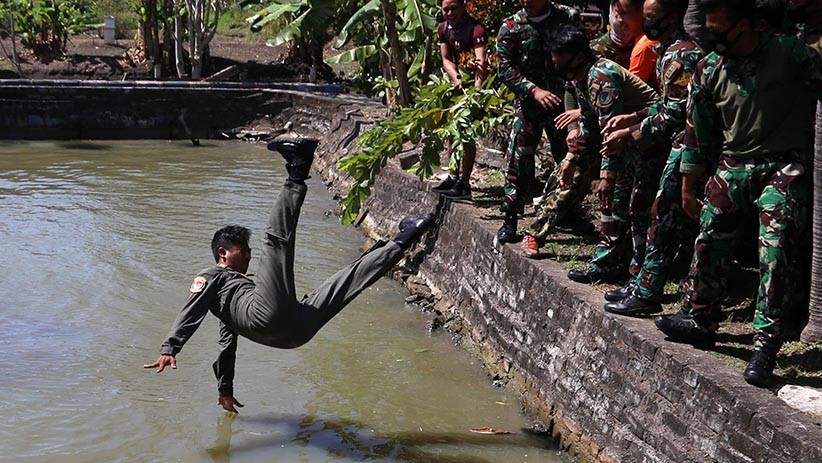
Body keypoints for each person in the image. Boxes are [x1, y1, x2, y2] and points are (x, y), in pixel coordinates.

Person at [144, 137, 435, 412]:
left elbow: (226, 347)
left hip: (295, 333)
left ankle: (405, 238)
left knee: (344, 282)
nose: (248, 254)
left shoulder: (230, 306)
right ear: (222, 253)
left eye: (247, 250)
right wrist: (171, 346)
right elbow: (192, 308)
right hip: (266, 317)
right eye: (242, 249)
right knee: (276, 241)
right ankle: (297, 169)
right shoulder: (211, 275)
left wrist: (224, 388)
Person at [653, 0, 821, 387]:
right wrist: (689, 184)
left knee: (775, 252)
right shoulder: (710, 67)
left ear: (748, 26)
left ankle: (765, 346)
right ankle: (699, 317)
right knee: (710, 236)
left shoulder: (790, 54)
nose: (714, 38)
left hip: (783, 166)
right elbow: (697, 131)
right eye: (709, 30)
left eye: (721, 30)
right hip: (733, 164)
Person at [598, 0, 704, 315]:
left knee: (662, 216)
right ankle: (639, 281)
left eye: (651, 17)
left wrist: (630, 134)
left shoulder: (680, 56)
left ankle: (647, 294)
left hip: (685, 145)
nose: (645, 22)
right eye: (644, 16)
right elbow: (665, 103)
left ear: (671, 18)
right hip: (670, 143)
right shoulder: (665, 51)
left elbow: (676, 114)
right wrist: (633, 116)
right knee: (645, 210)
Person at [544, 25, 661, 285]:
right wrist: (571, 158)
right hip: (629, 139)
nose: (555, 63)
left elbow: (611, 132)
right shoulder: (581, 75)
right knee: (620, 204)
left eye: (559, 57)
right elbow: (588, 119)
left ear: (577, 55)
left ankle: (620, 267)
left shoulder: (600, 77)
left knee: (623, 202)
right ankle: (615, 262)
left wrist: (607, 177)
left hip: (649, 138)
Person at [495, 0, 579, 244]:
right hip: (529, 104)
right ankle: (510, 218)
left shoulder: (567, 16)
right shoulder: (511, 27)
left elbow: (580, 53)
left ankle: (568, 211)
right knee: (519, 159)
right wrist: (533, 91)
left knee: (568, 156)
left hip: (563, 100)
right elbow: (506, 69)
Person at [432, 0, 487, 200]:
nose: (449, 12)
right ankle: (453, 177)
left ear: (463, 7)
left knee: (466, 135)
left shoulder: (476, 29)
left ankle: (465, 183)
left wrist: (476, 93)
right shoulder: (443, 28)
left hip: (473, 86)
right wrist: (455, 77)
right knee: (451, 132)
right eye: (445, 9)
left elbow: (481, 62)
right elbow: (446, 58)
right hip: (456, 84)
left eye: (454, 8)